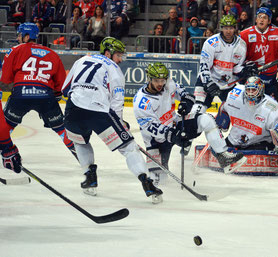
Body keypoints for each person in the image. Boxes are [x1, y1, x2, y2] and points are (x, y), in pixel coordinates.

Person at [62, 37, 163, 203]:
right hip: (99, 111)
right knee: (129, 148)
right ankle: (147, 183)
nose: (121, 59)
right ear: (107, 53)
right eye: (118, 55)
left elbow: (65, 89)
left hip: (73, 109)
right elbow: (116, 104)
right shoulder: (115, 70)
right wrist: (121, 123)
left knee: (80, 142)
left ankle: (90, 177)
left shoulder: (82, 59)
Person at [133, 62, 247, 182]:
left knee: (206, 120)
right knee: (159, 182)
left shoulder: (169, 84)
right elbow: (151, 127)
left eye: (163, 80)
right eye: (156, 80)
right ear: (149, 79)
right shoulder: (141, 101)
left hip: (175, 125)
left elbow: (187, 95)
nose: (161, 84)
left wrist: (186, 103)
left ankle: (223, 156)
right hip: (156, 140)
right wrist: (172, 135)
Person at [0, 23, 77, 163]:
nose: (18, 38)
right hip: (45, 96)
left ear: (27, 36)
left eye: (19, 35)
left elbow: (5, 79)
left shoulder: (14, 50)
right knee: (61, 129)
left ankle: (7, 153)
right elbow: (61, 85)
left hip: (20, 95)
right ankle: (84, 160)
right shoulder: (52, 53)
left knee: (6, 126)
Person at [216, 76, 278, 155]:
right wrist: (220, 124)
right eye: (248, 89)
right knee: (217, 149)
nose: (250, 93)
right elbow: (224, 106)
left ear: (261, 90)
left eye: (253, 90)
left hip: (258, 144)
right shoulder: (236, 97)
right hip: (234, 140)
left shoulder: (271, 107)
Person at [191, 14, 249, 115]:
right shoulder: (211, 42)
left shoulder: (242, 45)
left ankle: (219, 125)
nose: (228, 31)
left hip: (228, 84)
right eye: (225, 28)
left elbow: (236, 68)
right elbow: (204, 66)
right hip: (208, 80)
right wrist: (208, 83)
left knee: (232, 113)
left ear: (235, 28)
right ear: (221, 28)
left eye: (231, 28)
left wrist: (243, 71)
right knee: (197, 110)